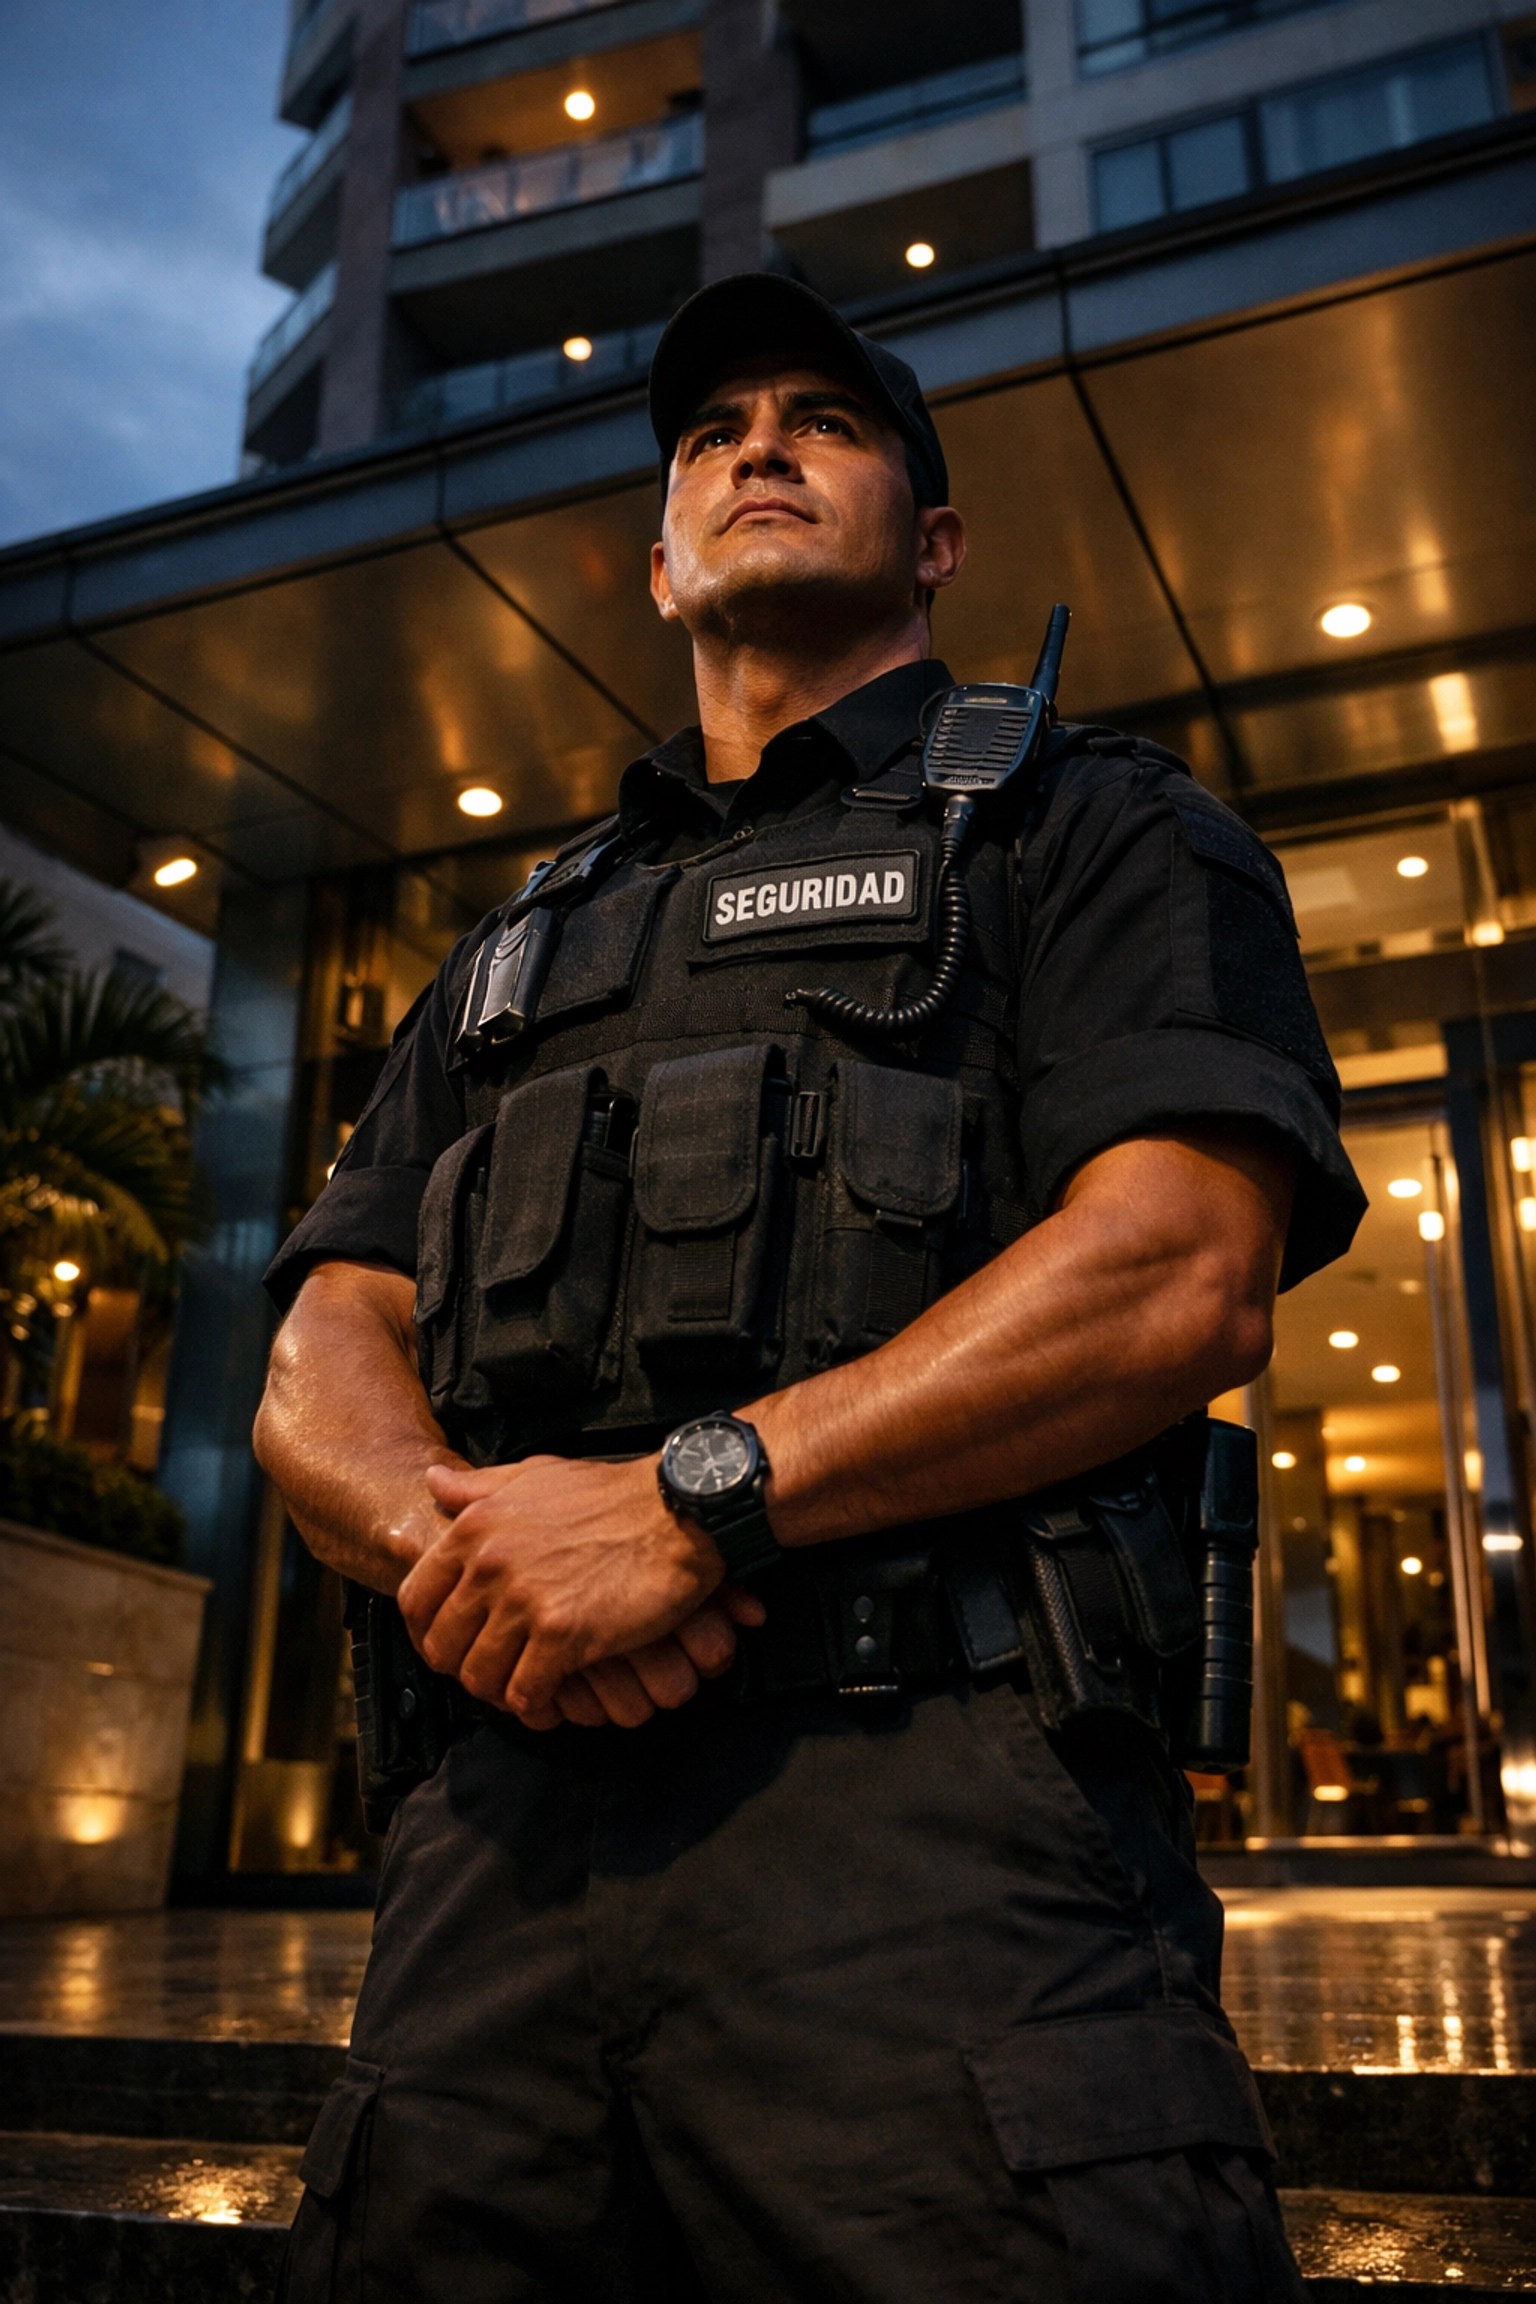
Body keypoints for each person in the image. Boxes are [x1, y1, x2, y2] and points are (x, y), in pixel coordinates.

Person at [255, 272, 1364, 2303]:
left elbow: (1180, 1270)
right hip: (495, 1870)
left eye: (824, 422)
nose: (756, 447)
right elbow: (328, 1339)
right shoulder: (514, 946)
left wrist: (686, 1500)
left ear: (936, 542)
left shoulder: (1090, 828)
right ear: (660, 567)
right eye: (708, 438)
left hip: (945, 1857)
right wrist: (491, 1560)